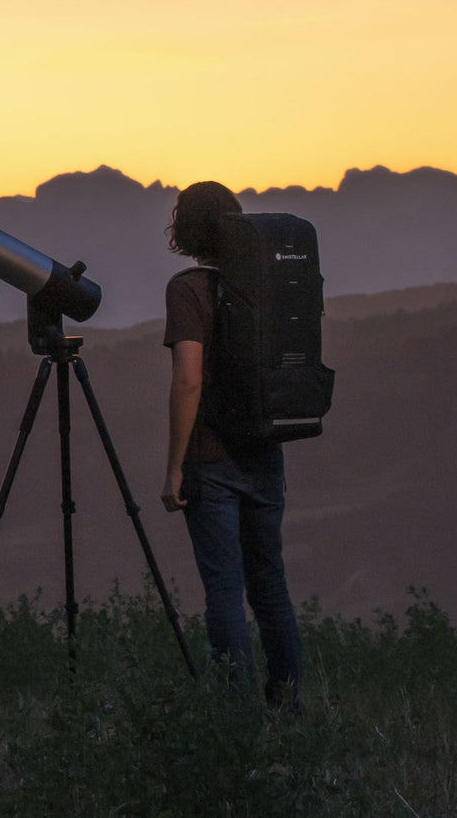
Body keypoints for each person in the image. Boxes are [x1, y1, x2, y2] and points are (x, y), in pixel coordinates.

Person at [160, 180, 303, 711]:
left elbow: (188, 381)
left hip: (211, 460)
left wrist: (174, 467)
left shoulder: (188, 289)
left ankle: (236, 717)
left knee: (224, 592)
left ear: (184, 231)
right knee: (270, 589)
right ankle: (287, 709)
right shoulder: (265, 281)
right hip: (266, 452)